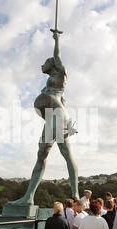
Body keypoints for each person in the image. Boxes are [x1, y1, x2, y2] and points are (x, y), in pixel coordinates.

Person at [9, 30, 79, 205]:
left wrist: (56, 40)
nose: (43, 65)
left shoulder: (61, 73)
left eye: (46, 62)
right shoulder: (49, 82)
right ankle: (29, 197)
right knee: (41, 154)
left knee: (65, 152)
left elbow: (57, 56)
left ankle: (76, 194)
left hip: (57, 113)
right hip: (50, 117)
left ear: (54, 64)